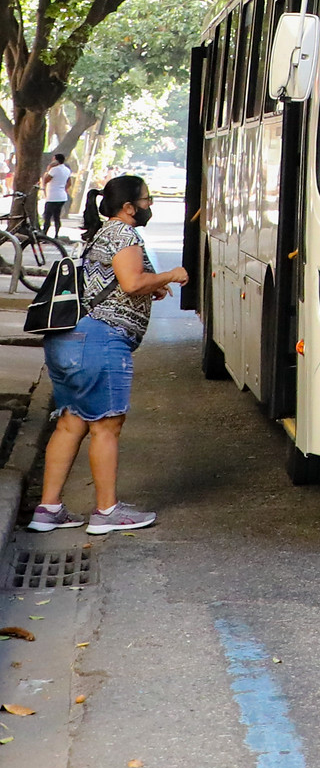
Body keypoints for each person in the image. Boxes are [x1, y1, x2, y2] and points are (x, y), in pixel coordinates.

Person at [28, 175, 186, 535]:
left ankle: (48, 509)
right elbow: (131, 282)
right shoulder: (123, 234)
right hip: (99, 341)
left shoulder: (101, 234)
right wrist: (170, 275)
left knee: (71, 422)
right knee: (106, 425)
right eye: (146, 200)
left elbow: (116, 282)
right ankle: (107, 511)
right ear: (128, 207)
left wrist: (151, 287)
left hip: (70, 340)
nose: (149, 206)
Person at [39, 153, 72, 237]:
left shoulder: (54, 170)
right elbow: (69, 183)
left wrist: (48, 169)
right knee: (57, 216)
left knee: (47, 216)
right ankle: (56, 234)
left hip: (52, 196)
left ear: (56, 160)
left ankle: (44, 234)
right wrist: (63, 188)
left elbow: (45, 180)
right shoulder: (67, 170)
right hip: (62, 196)